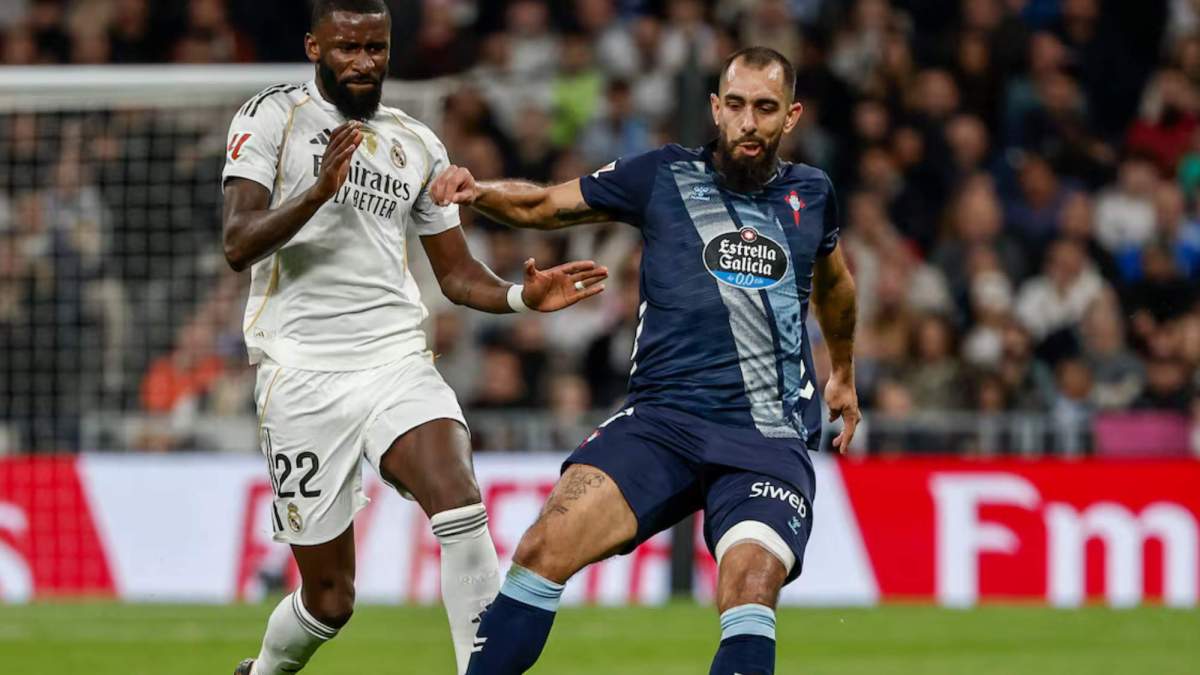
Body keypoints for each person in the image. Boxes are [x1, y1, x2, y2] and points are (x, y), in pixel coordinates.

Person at [431, 46, 860, 675]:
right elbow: (545, 204)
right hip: (660, 422)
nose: (747, 122)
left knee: (747, 588)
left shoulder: (812, 194)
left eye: (764, 108)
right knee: (543, 545)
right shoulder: (662, 175)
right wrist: (478, 192)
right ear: (715, 108)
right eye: (735, 105)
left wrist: (843, 373)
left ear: (789, 117)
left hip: (765, 437)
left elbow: (836, 287)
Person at [220, 2, 607, 674]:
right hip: (302, 375)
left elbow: (456, 275)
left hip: (395, 360)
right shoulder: (271, 118)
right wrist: (317, 194)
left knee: (458, 494)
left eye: (377, 48)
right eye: (348, 48)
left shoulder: (415, 143)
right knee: (330, 600)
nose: (365, 63)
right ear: (315, 46)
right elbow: (236, 242)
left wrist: (520, 295)